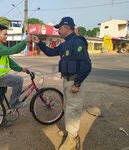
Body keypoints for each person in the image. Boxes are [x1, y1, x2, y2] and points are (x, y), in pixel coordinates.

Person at [32, 17, 92, 150]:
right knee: (68, 108)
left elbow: (86, 65)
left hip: (74, 82)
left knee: (73, 109)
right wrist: (39, 43)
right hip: (67, 80)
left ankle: (71, 139)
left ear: (66, 27)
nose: (58, 30)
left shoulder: (77, 42)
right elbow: (50, 52)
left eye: (59, 27)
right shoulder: (66, 43)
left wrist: (77, 84)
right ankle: (70, 132)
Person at [0, 24, 31, 126]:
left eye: (7, 34)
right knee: (18, 80)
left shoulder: (0, 48)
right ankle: (14, 102)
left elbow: (10, 62)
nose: (6, 36)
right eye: (5, 34)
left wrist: (22, 69)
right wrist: (25, 41)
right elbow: (12, 50)